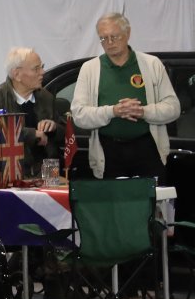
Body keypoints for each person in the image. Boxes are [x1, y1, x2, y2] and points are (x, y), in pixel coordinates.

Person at [71, 13, 180, 182]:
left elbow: (173, 108)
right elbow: (79, 115)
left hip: (148, 149)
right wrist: (113, 111)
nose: (109, 43)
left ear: (128, 33)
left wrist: (142, 111)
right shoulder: (89, 69)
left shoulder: (152, 64)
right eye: (103, 38)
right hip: (107, 152)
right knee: (113, 199)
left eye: (114, 36)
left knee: (150, 198)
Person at [0, 47, 61, 173]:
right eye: (36, 68)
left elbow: (65, 134)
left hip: (46, 174)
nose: (42, 72)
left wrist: (54, 127)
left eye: (42, 67)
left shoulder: (47, 97)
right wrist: (31, 134)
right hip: (9, 174)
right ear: (17, 74)